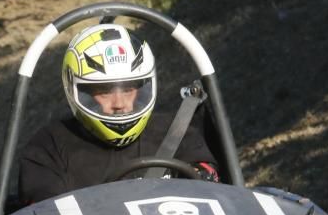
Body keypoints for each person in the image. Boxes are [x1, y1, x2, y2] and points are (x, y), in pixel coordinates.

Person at [18, 23, 219, 205]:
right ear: (78, 91)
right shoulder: (49, 148)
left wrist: (202, 175)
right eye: (105, 92)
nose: (120, 104)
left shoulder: (177, 132)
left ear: (144, 87)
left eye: (128, 90)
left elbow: (213, 186)